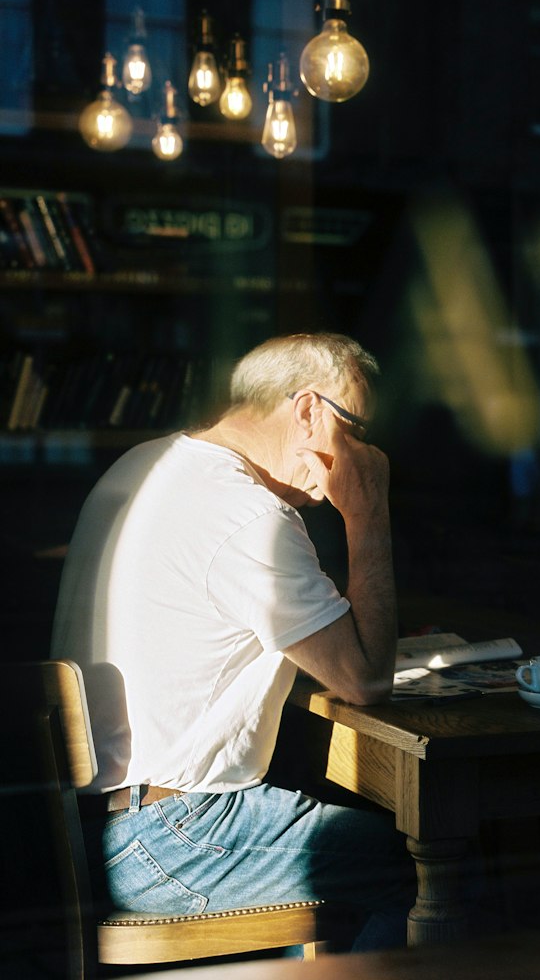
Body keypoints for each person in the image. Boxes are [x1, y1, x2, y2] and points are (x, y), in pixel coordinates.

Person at [51, 332, 415, 951]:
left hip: (80, 826)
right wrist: (368, 511)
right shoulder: (248, 516)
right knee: (426, 872)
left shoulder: (146, 463)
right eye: (354, 430)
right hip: (168, 834)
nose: (360, 455)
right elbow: (367, 679)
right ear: (310, 411)